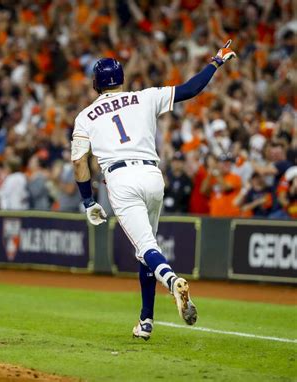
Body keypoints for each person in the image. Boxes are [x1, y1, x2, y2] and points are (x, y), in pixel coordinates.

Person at [71, 41, 236, 340]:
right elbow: (189, 89)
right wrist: (215, 61)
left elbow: (79, 162)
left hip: (121, 180)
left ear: (95, 83)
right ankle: (146, 321)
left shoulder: (85, 116)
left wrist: (87, 201)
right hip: (152, 175)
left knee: (147, 249)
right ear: (121, 78)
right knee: (146, 250)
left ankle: (173, 282)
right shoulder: (145, 97)